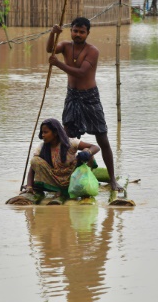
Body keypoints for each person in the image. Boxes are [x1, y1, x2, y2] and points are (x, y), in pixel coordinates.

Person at [47, 17, 122, 191]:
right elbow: (50, 49)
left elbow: (81, 73)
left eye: (82, 32)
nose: (78, 34)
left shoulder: (92, 51)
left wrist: (58, 63)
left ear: (88, 33)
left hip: (90, 98)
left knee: (102, 138)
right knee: (66, 138)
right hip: (72, 96)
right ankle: (64, 177)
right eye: (75, 31)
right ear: (71, 30)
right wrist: (53, 33)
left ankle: (112, 180)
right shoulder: (65, 45)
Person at [23, 118, 100, 195]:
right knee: (35, 160)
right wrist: (29, 186)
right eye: (42, 132)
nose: (43, 135)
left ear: (55, 132)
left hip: (72, 177)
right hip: (54, 179)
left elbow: (95, 147)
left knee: (86, 151)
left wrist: (87, 152)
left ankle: (77, 184)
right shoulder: (41, 147)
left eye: (46, 132)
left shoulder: (70, 143)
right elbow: (33, 168)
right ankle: (58, 190)